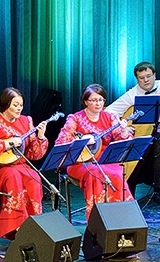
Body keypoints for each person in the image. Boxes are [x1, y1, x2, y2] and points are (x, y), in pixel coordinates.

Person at [0, 87, 48, 240]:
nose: (19, 108)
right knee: (12, 175)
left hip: (19, 166)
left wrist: (40, 137)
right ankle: (18, 226)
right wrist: (6, 144)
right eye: (15, 105)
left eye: (21, 105)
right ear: (6, 104)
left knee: (34, 177)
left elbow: (34, 155)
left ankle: (33, 224)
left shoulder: (26, 121)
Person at [56, 84, 136, 218]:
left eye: (101, 100)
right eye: (93, 100)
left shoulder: (110, 117)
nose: (98, 104)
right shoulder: (75, 119)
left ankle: (120, 217)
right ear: (85, 101)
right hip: (81, 162)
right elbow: (61, 143)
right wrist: (81, 141)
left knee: (116, 174)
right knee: (95, 173)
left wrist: (123, 131)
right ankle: (97, 218)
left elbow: (122, 142)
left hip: (105, 159)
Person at [105, 61, 160, 201]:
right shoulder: (132, 94)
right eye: (141, 78)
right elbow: (109, 112)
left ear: (154, 75)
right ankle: (128, 190)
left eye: (148, 76)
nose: (146, 80)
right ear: (137, 79)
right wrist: (123, 127)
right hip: (144, 133)